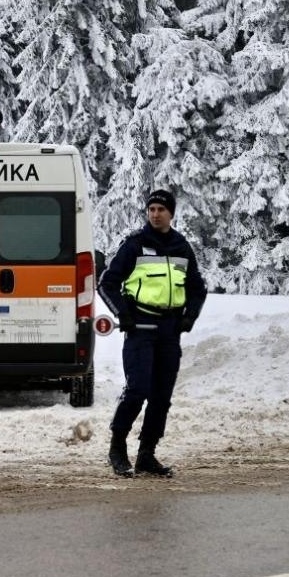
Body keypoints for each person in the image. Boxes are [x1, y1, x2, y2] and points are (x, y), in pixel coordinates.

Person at [98, 190, 207, 477]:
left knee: (161, 396)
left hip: (170, 331)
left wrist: (189, 317)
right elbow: (106, 283)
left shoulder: (182, 247)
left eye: (161, 209)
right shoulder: (135, 244)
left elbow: (198, 288)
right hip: (140, 330)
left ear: (171, 213)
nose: (155, 213)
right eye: (152, 209)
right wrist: (124, 314)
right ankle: (117, 447)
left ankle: (147, 454)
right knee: (137, 390)